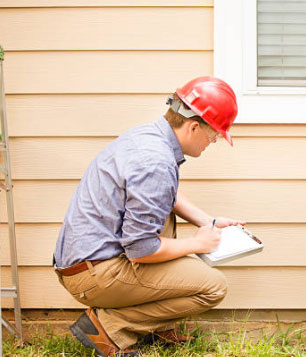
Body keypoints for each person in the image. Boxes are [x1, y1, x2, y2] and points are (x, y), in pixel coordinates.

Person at [53, 76, 245, 356]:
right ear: (193, 126)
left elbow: (166, 196)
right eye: (215, 133)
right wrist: (198, 244)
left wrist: (209, 222)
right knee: (213, 287)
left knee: (163, 222)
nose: (214, 140)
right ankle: (109, 327)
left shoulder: (149, 137)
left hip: (89, 262)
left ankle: (148, 326)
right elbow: (142, 249)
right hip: (95, 274)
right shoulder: (155, 162)